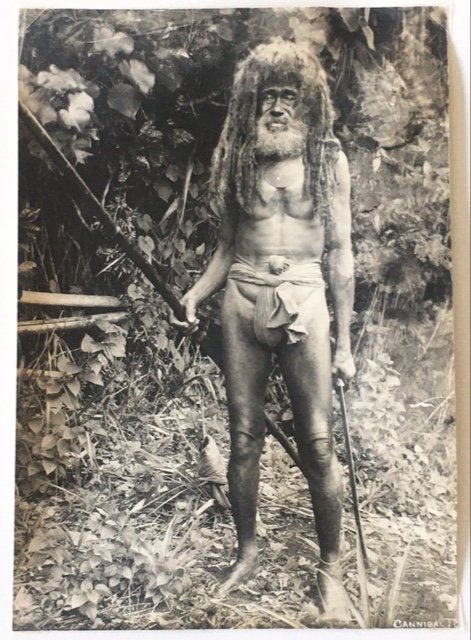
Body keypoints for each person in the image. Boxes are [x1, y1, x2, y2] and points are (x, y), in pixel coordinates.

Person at [172, 39, 356, 618]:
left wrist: (346, 345)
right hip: (243, 299)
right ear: (252, 104)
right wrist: (197, 293)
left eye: (287, 97)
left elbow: (343, 254)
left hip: (305, 299)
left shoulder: (329, 162)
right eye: (267, 97)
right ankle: (246, 553)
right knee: (244, 436)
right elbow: (227, 247)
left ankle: (331, 572)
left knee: (319, 442)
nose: (276, 108)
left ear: (307, 105)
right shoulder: (237, 161)